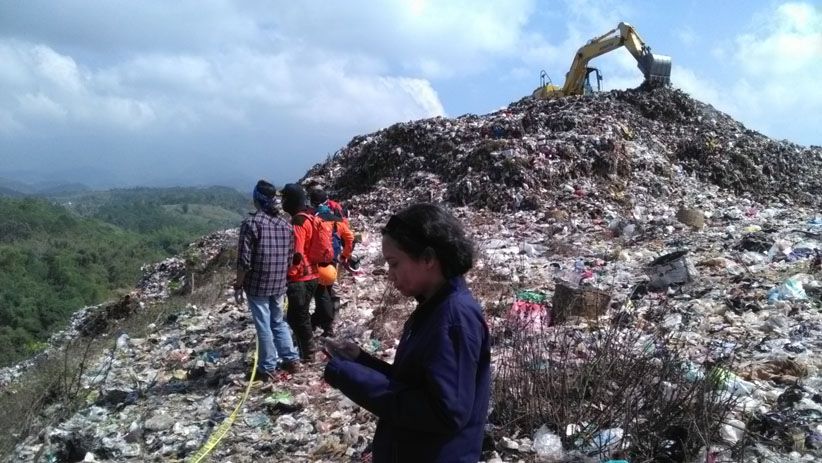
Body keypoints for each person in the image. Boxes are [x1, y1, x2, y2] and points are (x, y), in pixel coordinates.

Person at [323, 203, 491, 463]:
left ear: (428, 259)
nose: (390, 276)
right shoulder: (433, 307)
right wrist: (360, 361)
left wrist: (348, 376)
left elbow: (446, 412)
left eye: (394, 264)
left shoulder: (453, 318)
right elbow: (412, 384)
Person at [234, 180, 301, 382]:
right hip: (279, 284)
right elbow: (290, 258)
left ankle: (267, 367)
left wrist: (238, 285)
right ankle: (291, 359)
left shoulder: (251, 224)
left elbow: (244, 261)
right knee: (278, 322)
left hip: (257, 285)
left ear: (257, 199)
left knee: (263, 325)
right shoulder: (285, 225)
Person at [280, 183, 329, 362]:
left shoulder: (298, 222)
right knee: (300, 315)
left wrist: (290, 274)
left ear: (291, 200)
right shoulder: (310, 218)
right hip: (313, 274)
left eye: (284, 198)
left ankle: (308, 353)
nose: (282, 202)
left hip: (301, 277)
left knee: (297, 318)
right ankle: (306, 349)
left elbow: (297, 252)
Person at [308, 193, 356, 337]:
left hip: (316, 262)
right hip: (333, 260)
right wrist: (345, 255)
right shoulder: (338, 221)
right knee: (328, 290)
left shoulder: (314, 220)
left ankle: (325, 324)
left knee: (321, 293)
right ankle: (323, 321)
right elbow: (350, 238)